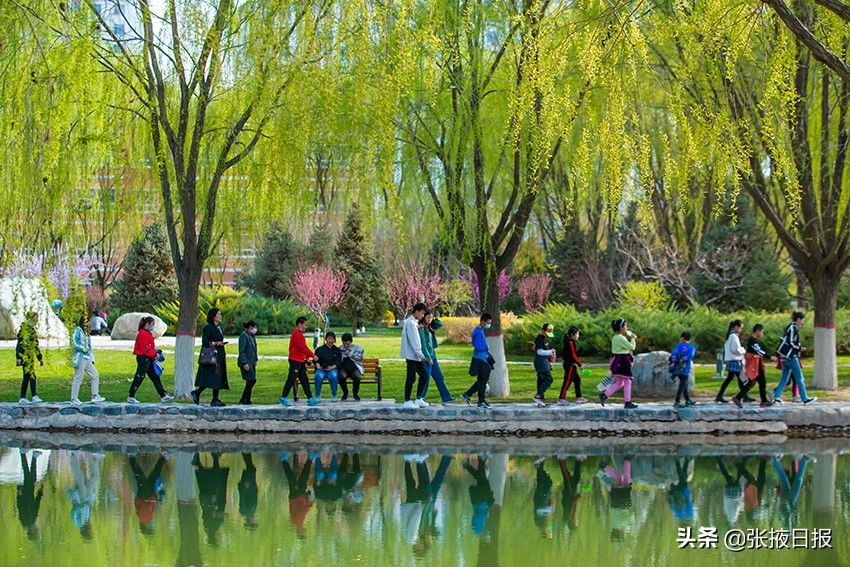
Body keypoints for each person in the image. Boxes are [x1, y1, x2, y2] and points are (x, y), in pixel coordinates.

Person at [773, 312, 817, 404]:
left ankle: (776, 396)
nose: (803, 321)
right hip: (791, 356)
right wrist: (800, 348)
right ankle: (805, 398)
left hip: (784, 357)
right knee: (800, 378)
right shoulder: (793, 328)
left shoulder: (790, 326)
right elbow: (791, 342)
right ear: (798, 319)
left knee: (784, 378)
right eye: (803, 319)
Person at [128, 317, 173, 404]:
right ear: (147, 324)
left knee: (155, 377)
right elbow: (145, 348)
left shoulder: (147, 333)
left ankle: (163, 396)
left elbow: (149, 347)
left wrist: (154, 354)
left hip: (148, 358)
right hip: (143, 358)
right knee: (140, 376)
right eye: (152, 324)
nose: (153, 326)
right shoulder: (142, 334)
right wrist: (155, 354)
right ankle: (131, 396)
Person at [192, 308, 229, 407]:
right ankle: (199, 393)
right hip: (213, 355)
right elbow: (205, 342)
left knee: (217, 377)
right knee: (212, 376)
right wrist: (217, 343)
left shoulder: (218, 328)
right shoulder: (208, 328)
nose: (220, 316)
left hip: (219, 354)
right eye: (218, 314)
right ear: (213, 316)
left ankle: (214, 399)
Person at [599, 319, 638, 409]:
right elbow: (631, 347)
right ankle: (627, 402)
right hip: (623, 361)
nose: (627, 328)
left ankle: (604, 395)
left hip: (617, 361)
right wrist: (633, 338)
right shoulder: (621, 338)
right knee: (627, 381)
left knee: (620, 382)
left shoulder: (615, 337)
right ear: (621, 328)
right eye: (625, 326)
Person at [419, 309, 455, 404]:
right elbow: (423, 345)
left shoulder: (430, 327)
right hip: (427, 357)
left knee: (439, 376)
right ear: (423, 317)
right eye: (428, 317)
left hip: (433, 355)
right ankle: (421, 397)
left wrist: (434, 318)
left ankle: (446, 397)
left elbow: (440, 324)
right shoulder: (421, 328)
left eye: (431, 317)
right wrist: (428, 358)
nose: (430, 319)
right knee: (426, 378)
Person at [734, 324, 774, 408]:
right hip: (755, 364)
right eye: (762, 332)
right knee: (760, 382)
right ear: (758, 331)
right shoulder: (752, 340)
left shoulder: (754, 340)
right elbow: (758, 351)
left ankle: (738, 397)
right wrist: (770, 357)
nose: (762, 334)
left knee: (753, 382)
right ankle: (763, 401)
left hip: (757, 363)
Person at [279, 316, 316, 406]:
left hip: (300, 360)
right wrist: (312, 356)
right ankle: (283, 397)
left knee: (304, 379)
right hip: (295, 360)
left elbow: (302, 348)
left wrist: (307, 357)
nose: (306, 327)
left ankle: (310, 398)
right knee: (292, 378)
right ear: (300, 324)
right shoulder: (296, 334)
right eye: (305, 325)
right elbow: (302, 347)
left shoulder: (299, 334)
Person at [194, 452, 230, 545]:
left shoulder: (215, 526)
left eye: (218, 539)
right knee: (205, 480)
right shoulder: (206, 526)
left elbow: (219, 513)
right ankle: (198, 460)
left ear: (215, 538)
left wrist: (223, 514)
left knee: (216, 478)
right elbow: (205, 514)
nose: (219, 537)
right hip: (205, 498)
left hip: (214, 498)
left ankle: (214, 457)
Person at [71, 315, 105, 405]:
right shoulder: (77, 330)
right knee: (78, 377)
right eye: (88, 321)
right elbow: (74, 343)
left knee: (95, 375)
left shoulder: (86, 332)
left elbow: (89, 346)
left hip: (87, 358)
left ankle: (95, 395)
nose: (90, 323)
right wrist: (84, 349)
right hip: (80, 357)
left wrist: (91, 357)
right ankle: (74, 398)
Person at [400, 303, 430, 408]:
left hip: (415, 356)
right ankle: (407, 401)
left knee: (424, 375)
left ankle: (418, 399)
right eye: (422, 313)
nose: (423, 316)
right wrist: (421, 355)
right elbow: (414, 342)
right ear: (417, 311)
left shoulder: (413, 322)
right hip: (412, 356)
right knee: (411, 378)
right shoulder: (411, 323)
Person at [68, 451, 102, 540]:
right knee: (95, 478)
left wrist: (81, 506)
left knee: (79, 478)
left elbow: (73, 511)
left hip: (80, 498)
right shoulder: (87, 521)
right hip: (88, 497)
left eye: (90, 532)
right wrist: (92, 496)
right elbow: (89, 507)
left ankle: (74, 457)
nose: (91, 529)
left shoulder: (77, 522)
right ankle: (95, 458)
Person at [462, 313, 494, 409]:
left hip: (483, 358)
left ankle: (468, 395)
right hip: (480, 359)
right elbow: (477, 345)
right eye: (488, 323)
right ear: (482, 321)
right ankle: (480, 401)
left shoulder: (481, 330)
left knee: (482, 380)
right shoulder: (477, 331)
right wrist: (486, 347)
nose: (489, 325)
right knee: (482, 380)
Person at [130, 455, 166, 535]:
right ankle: (131, 457)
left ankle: (131, 457)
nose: (152, 525)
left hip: (146, 494)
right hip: (145, 494)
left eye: (151, 527)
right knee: (146, 475)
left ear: (147, 527)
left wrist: (153, 500)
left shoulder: (144, 518)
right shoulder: (144, 519)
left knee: (142, 475)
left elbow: (146, 507)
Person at [282, 453, 314, 538]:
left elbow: (303, 510)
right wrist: (307, 497)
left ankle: (284, 460)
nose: (305, 530)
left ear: (299, 532)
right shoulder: (298, 522)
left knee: (292, 478)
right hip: (300, 497)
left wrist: (309, 504)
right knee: (303, 478)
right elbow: (302, 507)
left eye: (303, 533)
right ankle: (310, 459)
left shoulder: (298, 522)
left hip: (295, 497)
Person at [715, 320, 747, 404]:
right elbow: (735, 349)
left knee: (735, 379)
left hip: (732, 360)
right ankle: (743, 395)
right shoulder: (733, 336)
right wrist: (743, 350)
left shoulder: (731, 335)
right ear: (736, 327)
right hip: (734, 360)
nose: (741, 329)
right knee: (736, 378)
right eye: (741, 328)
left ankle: (744, 395)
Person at [16, 311, 43, 404]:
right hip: (24, 356)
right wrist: (18, 357)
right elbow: (19, 343)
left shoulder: (32, 329)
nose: (37, 319)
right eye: (35, 317)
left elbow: (35, 345)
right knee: (30, 375)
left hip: (30, 356)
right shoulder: (25, 329)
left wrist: (39, 357)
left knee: (28, 376)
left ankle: (26, 397)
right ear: (30, 318)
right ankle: (30, 396)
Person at [16, 449, 44, 541]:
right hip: (25, 494)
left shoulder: (31, 520)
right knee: (28, 475)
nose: (38, 530)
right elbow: (20, 508)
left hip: (27, 495)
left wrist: (40, 493)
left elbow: (36, 505)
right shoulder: (24, 522)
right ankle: (27, 455)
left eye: (37, 532)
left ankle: (29, 456)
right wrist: (19, 495)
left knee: (29, 476)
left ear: (33, 532)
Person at [559, 326, 587, 404]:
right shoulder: (570, 342)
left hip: (571, 364)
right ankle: (561, 398)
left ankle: (579, 397)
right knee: (567, 381)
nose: (578, 336)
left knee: (577, 380)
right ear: (572, 334)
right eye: (577, 334)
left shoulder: (569, 341)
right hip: (570, 365)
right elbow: (573, 355)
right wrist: (580, 364)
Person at [313, 331, 342, 403]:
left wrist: (332, 367)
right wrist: (318, 365)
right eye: (329, 338)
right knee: (318, 376)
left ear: (334, 340)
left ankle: (334, 395)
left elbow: (339, 362)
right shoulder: (319, 349)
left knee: (333, 376)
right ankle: (317, 395)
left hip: (332, 369)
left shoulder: (337, 350)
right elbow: (316, 360)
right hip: (321, 369)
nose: (330, 340)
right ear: (326, 339)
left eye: (332, 339)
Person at [532, 324, 556, 407]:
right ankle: (538, 396)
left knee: (541, 380)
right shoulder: (540, 338)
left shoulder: (544, 338)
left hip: (544, 361)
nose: (547, 334)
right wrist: (550, 351)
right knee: (548, 379)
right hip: (541, 362)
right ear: (543, 330)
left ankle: (541, 400)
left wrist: (550, 356)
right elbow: (539, 351)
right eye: (546, 332)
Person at [669, 332, 696, 408]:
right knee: (682, 385)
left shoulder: (678, 346)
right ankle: (677, 401)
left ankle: (688, 400)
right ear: (689, 339)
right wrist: (683, 359)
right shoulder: (692, 348)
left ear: (682, 338)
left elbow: (673, 354)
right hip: (685, 369)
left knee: (684, 384)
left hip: (677, 368)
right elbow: (691, 356)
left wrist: (674, 362)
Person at [532, 457, 555, 539]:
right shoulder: (539, 520)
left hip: (543, 496)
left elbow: (551, 503)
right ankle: (541, 462)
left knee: (548, 482)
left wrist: (551, 508)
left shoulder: (541, 519)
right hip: (539, 497)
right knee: (541, 481)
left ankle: (538, 465)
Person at [237, 320, 259, 405]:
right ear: (250, 327)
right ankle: (243, 399)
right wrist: (244, 363)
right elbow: (241, 351)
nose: (255, 329)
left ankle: (247, 400)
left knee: (250, 381)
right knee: (251, 380)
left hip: (252, 362)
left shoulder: (252, 336)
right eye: (254, 327)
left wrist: (255, 359)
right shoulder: (243, 336)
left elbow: (254, 348)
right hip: (246, 362)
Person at [667, 457, 694, 523]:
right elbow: (671, 503)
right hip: (677, 492)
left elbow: (689, 501)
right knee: (683, 477)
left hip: (682, 491)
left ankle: (677, 460)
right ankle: (686, 460)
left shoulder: (689, 513)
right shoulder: (677, 514)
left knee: (682, 477)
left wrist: (687, 491)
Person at [339, 333, 365, 401]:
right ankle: (345, 392)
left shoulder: (357, 348)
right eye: (344, 344)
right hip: (344, 367)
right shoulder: (340, 348)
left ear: (351, 341)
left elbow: (360, 359)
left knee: (357, 377)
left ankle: (355, 393)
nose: (346, 345)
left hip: (354, 367)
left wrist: (351, 355)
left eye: (347, 344)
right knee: (341, 376)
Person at [238, 453, 259, 529]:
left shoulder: (244, 511)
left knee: (250, 468)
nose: (256, 520)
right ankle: (246, 451)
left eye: (254, 522)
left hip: (247, 485)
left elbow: (242, 498)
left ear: (251, 522)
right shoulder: (252, 512)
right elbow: (255, 498)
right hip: (252, 486)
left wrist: (244, 488)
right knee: (251, 468)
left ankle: (245, 451)